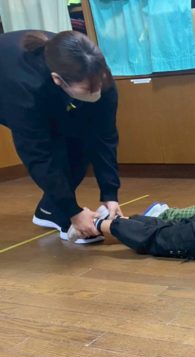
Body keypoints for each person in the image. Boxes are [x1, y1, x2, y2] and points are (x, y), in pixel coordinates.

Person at [0, 30, 122, 244]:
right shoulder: (26, 87)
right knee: (55, 149)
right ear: (58, 80)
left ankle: (50, 209)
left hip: (42, 89)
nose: (97, 93)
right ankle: (62, 210)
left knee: (80, 143)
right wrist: (72, 212)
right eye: (87, 90)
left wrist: (110, 194)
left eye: (99, 86)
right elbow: (38, 155)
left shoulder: (97, 74)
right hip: (8, 84)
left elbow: (105, 136)